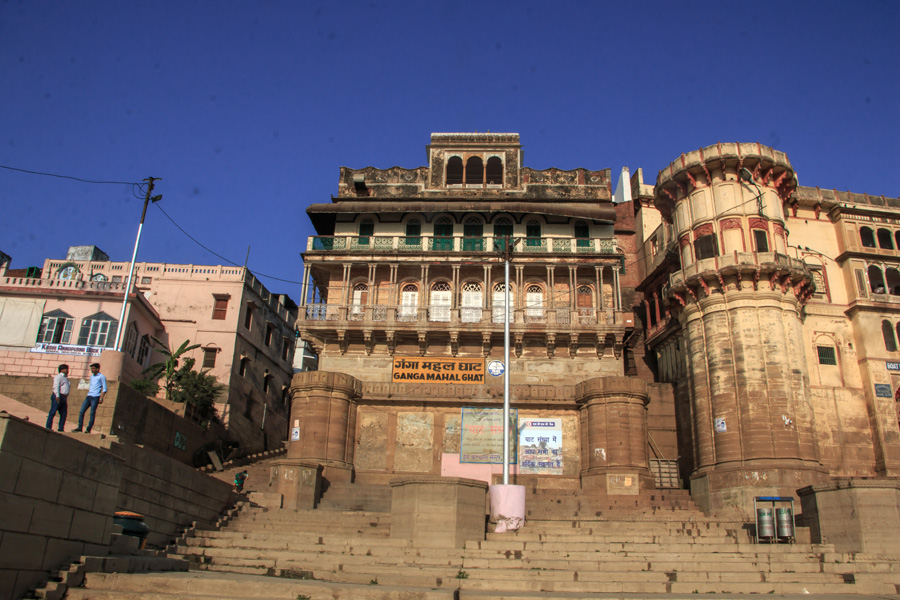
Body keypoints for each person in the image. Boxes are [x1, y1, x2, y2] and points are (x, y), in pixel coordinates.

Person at [73, 363, 107, 433]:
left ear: (97, 369)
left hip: (95, 397)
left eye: (93, 368)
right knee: (81, 411)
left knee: (92, 413)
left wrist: (101, 397)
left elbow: (105, 388)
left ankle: (88, 429)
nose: (92, 370)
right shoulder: (92, 377)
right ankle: (80, 427)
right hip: (89, 396)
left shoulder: (101, 377)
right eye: (91, 368)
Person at [45, 364, 70, 431]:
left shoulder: (66, 378)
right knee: (53, 411)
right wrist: (57, 396)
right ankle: (48, 426)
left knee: (63, 414)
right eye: (66, 369)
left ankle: (61, 428)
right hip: (58, 396)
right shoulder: (58, 377)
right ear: (62, 370)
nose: (67, 370)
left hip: (64, 397)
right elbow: (56, 386)